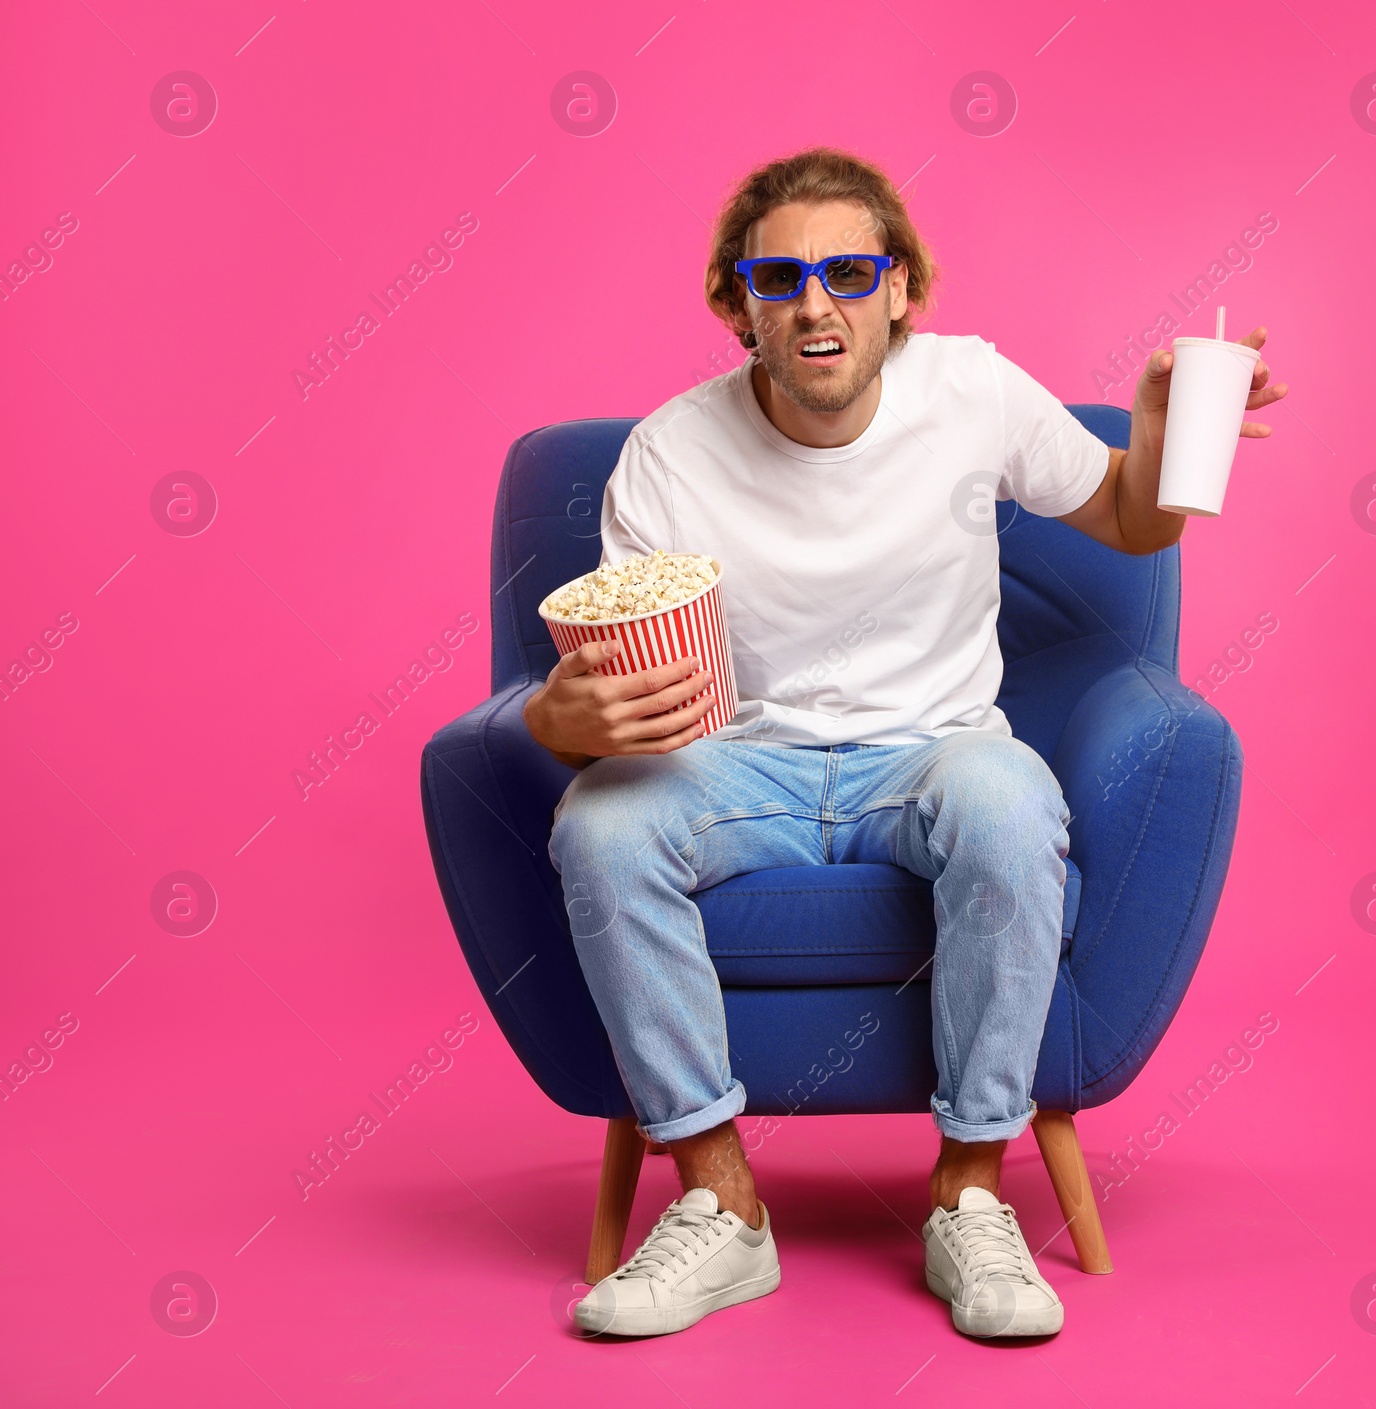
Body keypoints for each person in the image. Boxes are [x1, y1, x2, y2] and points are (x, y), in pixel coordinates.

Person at [524, 146, 1286, 1339]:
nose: (814, 301)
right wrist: (555, 723)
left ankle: (970, 1192)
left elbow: (1133, 521)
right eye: (779, 279)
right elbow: (617, 690)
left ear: (898, 290)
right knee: (602, 823)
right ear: (739, 307)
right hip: (743, 761)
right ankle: (721, 1210)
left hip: (934, 749)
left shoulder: (973, 391)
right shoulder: (669, 454)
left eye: (846, 269)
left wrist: (1157, 441)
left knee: (1011, 804)